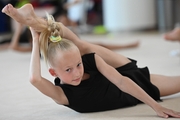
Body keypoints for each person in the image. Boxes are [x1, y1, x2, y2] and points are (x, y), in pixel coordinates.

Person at [2, 3, 180, 118]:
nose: (77, 72)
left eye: (78, 64)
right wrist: (34, 39)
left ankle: (32, 20)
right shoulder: (62, 95)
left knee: (83, 45)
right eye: (68, 70)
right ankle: (32, 21)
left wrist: (155, 106)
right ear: (53, 73)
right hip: (137, 88)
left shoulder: (89, 60)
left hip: (128, 77)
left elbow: (121, 80)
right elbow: (34, 79)